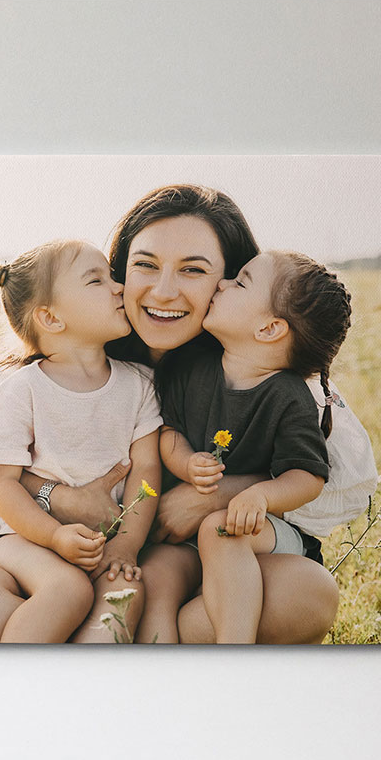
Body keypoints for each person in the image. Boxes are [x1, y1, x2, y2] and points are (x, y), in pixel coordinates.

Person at [0, 185, 377, 643]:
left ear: (229, 281)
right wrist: (58, 496)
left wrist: (211, 495)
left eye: (193, 270)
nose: (164, 291)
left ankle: (141, 646)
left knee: (306, 593)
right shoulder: (51, 371)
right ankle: (82, 643)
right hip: (66, 570)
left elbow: (322, 483)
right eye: (145, 265)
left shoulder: (267, 375)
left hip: (193, 581)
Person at [145, 250, 353, 643]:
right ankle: (158, 657)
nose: (221, 284)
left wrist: (260, 497)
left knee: (220, 528)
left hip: (262, 536)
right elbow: (168, 431)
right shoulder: (193, 367)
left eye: (239, 282)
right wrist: (187, 463)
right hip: (191, 546)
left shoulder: (288, 395)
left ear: (269, 329)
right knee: (158, 572)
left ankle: (234, 649)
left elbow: (307, 475)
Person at [0, 240, 161, 643]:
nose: (119, 287)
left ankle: (88, 693)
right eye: (97, 280)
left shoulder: (139, 384)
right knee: (67, 590)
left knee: (124, 592)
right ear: (51, 318)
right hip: (21, 536)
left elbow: (146, 471)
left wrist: (126, 546)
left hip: (101, 544)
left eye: (112, 277)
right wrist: (53, 536)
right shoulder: (22, 389)